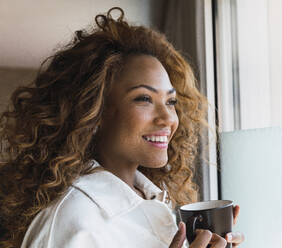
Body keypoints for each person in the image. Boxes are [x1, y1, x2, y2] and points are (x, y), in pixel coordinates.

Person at [0, 7, 244, 248]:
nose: (168, 118)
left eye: (170, 102)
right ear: (94, 113)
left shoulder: (152, 203)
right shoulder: (73, 223)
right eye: (144, 99)